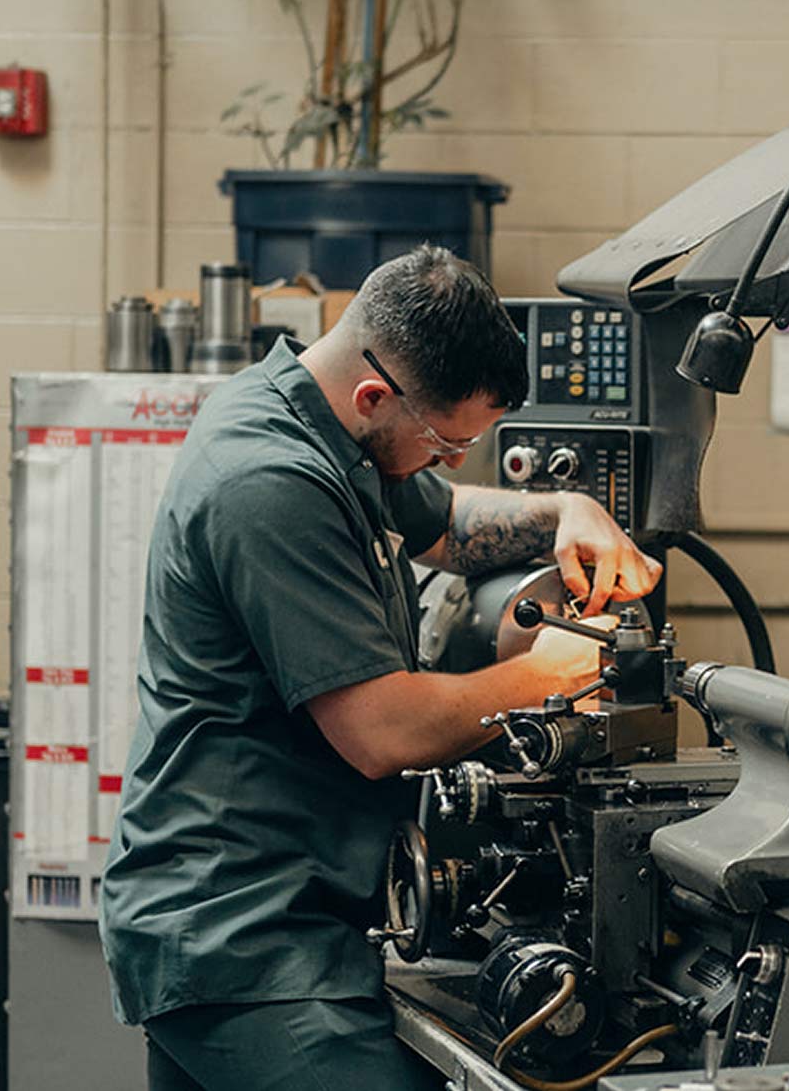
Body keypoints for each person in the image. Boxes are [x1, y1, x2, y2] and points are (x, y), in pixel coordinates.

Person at [99, 246, 662, 1091]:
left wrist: (565, 513)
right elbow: (379, 730)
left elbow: (450, 522)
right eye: (445, 442)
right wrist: (553, 673)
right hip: (242, 931)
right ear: (375, 396)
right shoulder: (270, 478)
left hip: (274, 914)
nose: (450, 462)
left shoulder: (332, 429)